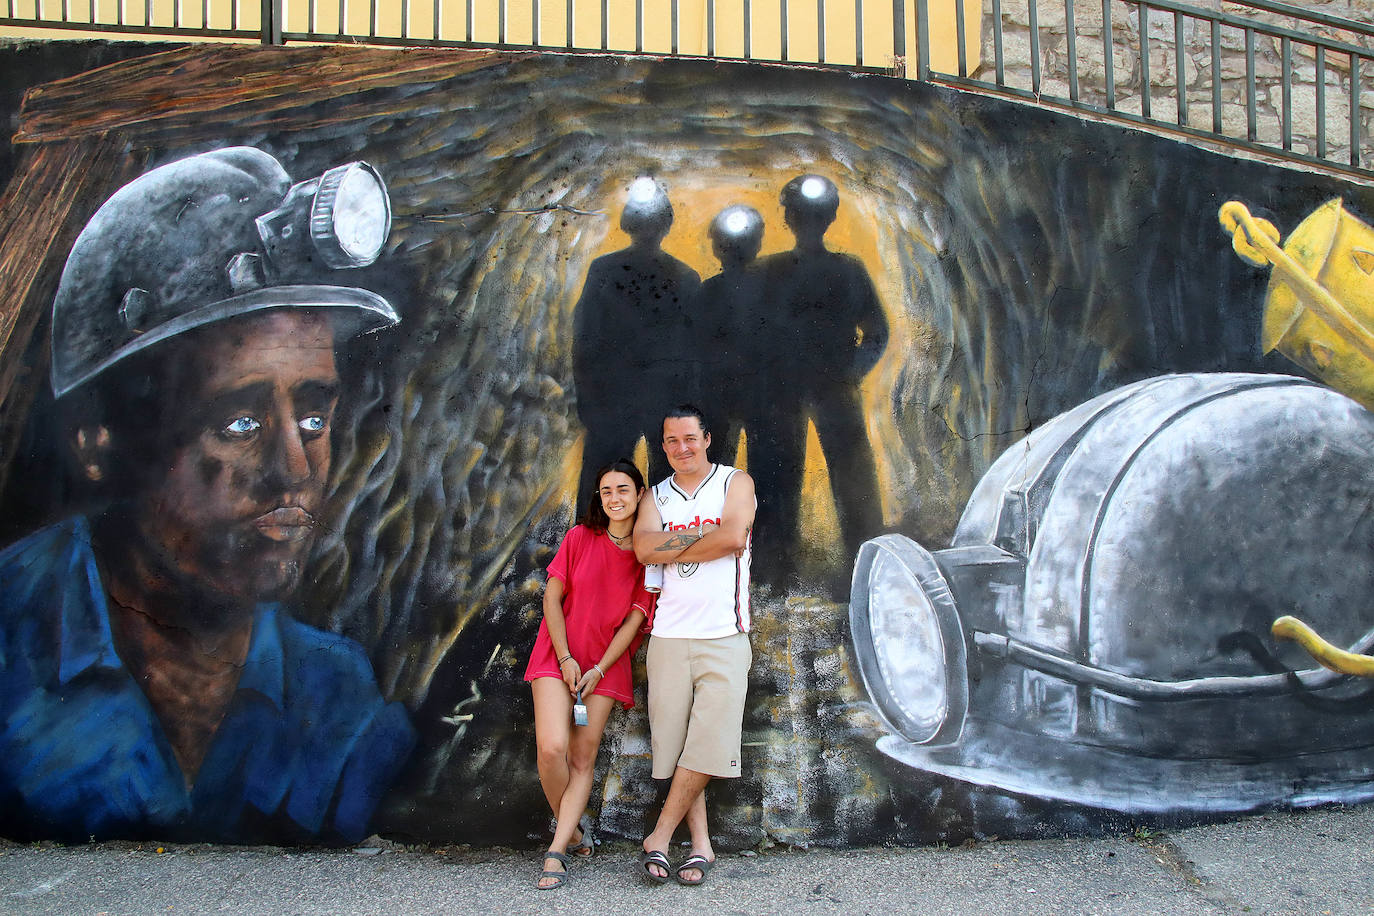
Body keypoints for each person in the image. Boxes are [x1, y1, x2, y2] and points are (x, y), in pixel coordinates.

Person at [0, 147, 415, 844]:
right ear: (99, 440)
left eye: (314, 418)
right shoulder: (10, 643)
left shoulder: (340, 702)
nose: (292, 468)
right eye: (240, 422)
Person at [633, 405, 755, 887]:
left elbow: (732, 537)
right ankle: (700, 845)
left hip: (725, 634)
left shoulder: (734, 482)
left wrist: (675, 540)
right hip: (667, 637)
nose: (681, 448)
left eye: (690, 439)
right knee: (681, 746)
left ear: (706, 439)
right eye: (671, 441)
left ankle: (659, 836)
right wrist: (706, 535)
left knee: (708, 741)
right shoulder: (655, 494)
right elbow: (643, 550)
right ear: (663, 447)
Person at [523, 458, 654, 890]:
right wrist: (565, 658)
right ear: (599, 497)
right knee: (551, 748)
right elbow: (552, 599)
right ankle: (574, 828)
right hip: (555, 655)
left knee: (582, 759)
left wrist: (598, 668)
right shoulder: (580, 537)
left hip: (605, 666)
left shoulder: (645, 554)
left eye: (623, 490)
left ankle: (557, 850)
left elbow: (634, 621)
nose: (615, 499)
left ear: (639, 494)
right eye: (607, 491)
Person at [752, 174, 888, 581]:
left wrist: (850, 373)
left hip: (807, 389)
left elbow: (877, 333)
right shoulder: (841, 269)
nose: (804, 220)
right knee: (793, 477)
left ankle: (778, 574)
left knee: (822, 477)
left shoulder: (771, 271)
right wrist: (850, 373)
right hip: (809, 389)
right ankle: (783, 572)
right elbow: (877, 332)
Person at [572, 177, 701, 506]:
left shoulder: (604, 270)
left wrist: (587, 397)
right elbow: (693, 351)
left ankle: (595, 552)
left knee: (603, 484)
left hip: (614, 395)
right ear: (666, 225)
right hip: (662, 397)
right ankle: (664, 554)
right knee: (666, 487)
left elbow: (585, 337)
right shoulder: (684, 277)